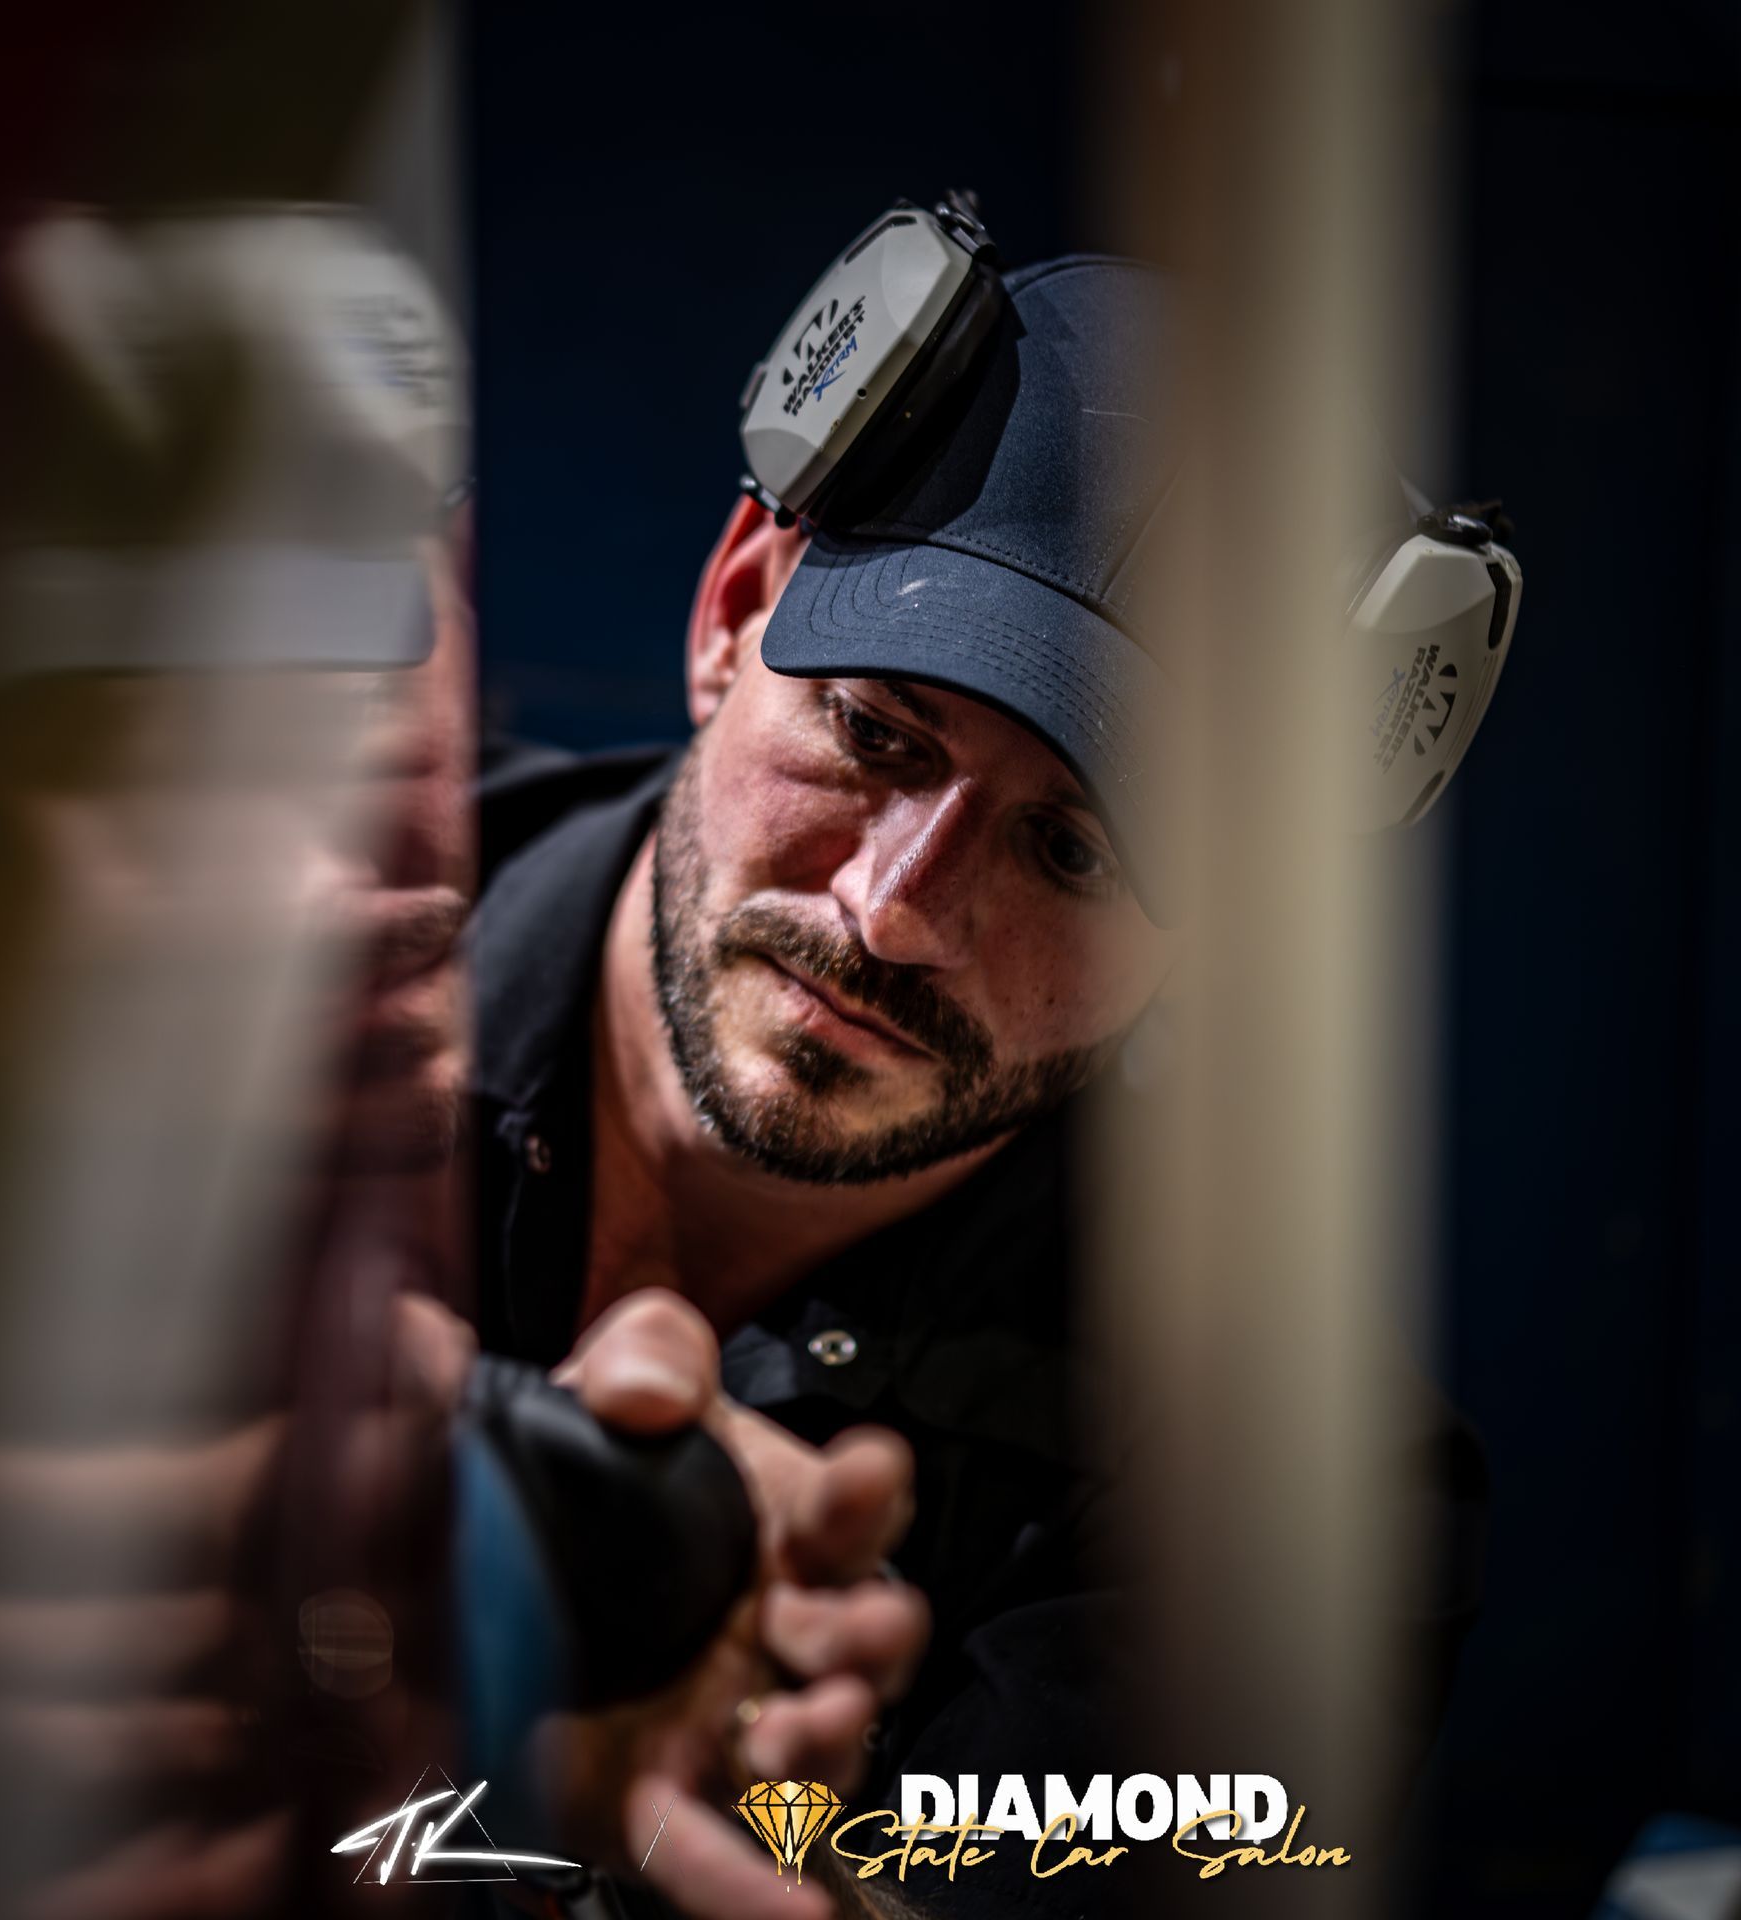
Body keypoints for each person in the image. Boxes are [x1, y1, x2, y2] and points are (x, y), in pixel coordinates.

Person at [465, 250, 1489, 1917]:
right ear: (735, 614)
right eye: (877, 734)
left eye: (1072, 850)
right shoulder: (247, 1006)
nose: (895, 911)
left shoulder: (1278, 1507)